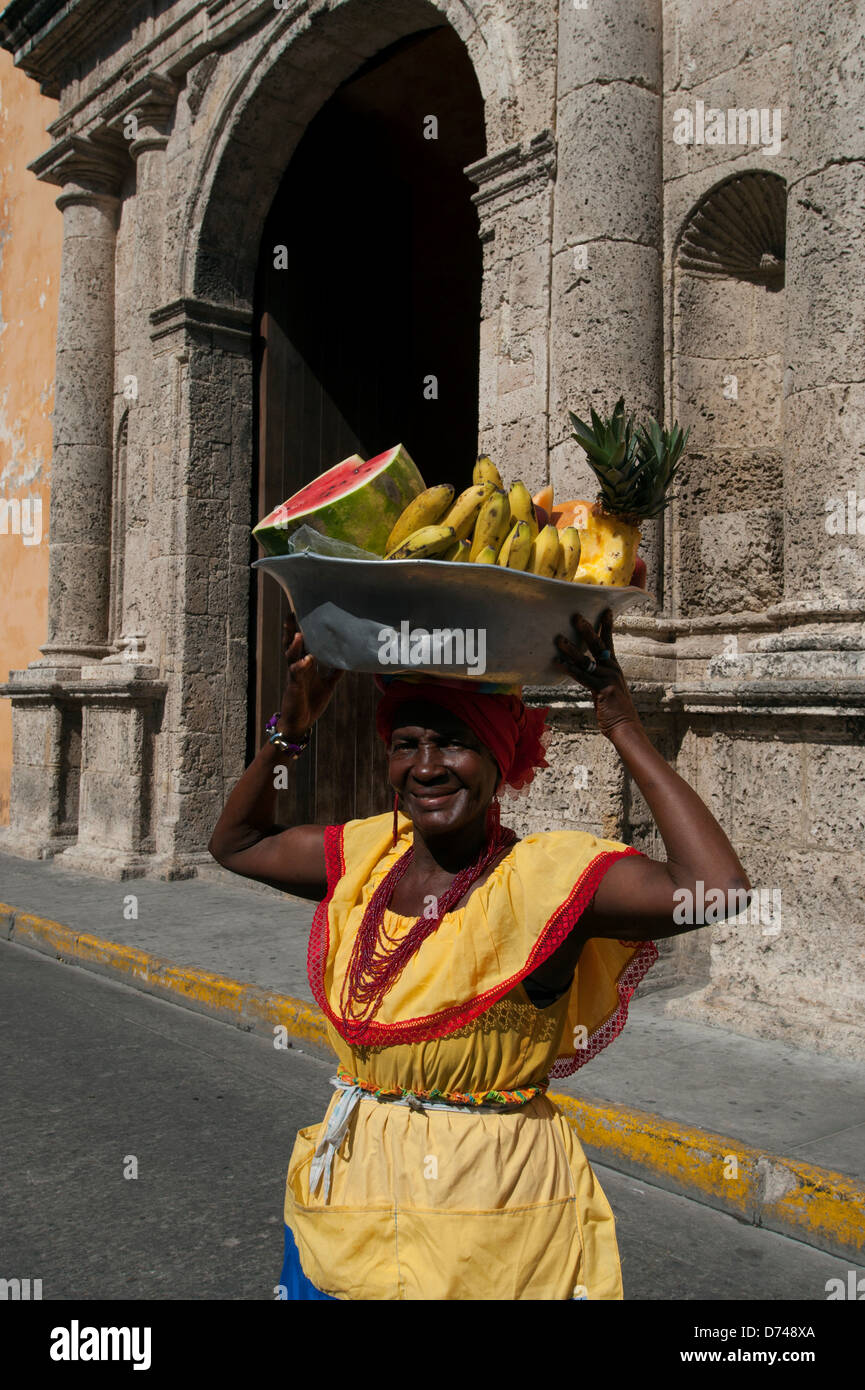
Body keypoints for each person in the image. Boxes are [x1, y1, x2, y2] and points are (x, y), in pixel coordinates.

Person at [208, 608, 750, 1300]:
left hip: (495, 1226)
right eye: (406, 743)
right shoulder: (367, 856)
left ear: (500, 761)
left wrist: (620, 723)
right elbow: (236, 844)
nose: (427, 766)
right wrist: (293, 725)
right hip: (351, 1204)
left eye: (455, 744)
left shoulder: (546, 881)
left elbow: (716, 891)